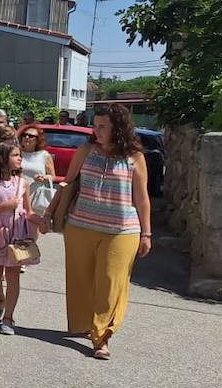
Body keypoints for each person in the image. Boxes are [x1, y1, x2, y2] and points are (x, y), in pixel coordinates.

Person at [43, 104, 152, 360]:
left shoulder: (135, 157)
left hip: (122, 231)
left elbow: (142, 198)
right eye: (96, 126)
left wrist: (146, 234)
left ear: (118, 128)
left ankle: (102, 336)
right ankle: (86, 325)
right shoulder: (86, 150)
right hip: (81, 226)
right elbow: (67, 184)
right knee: (81, 280)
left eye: (103, 127)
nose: (97, 131)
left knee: (111, 283)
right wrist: (48, 214)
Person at [0, 139, 36, 335]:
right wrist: (4, 207)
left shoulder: (22, 183)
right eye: (15, 155)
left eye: (20, 155)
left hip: (16, 235)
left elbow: (28, 211)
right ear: (2, 158)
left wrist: (41, 220)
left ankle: (9, 318)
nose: (20, 158)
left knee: (13, 276)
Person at [19, 126, 59, 213]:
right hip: (18, 194)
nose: (27, 137)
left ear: (38, 140)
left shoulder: (44, 155)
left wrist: (44, 177)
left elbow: (53, 177)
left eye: (31, 136)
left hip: (36, 196)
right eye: (24, 135)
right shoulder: (17, 153)